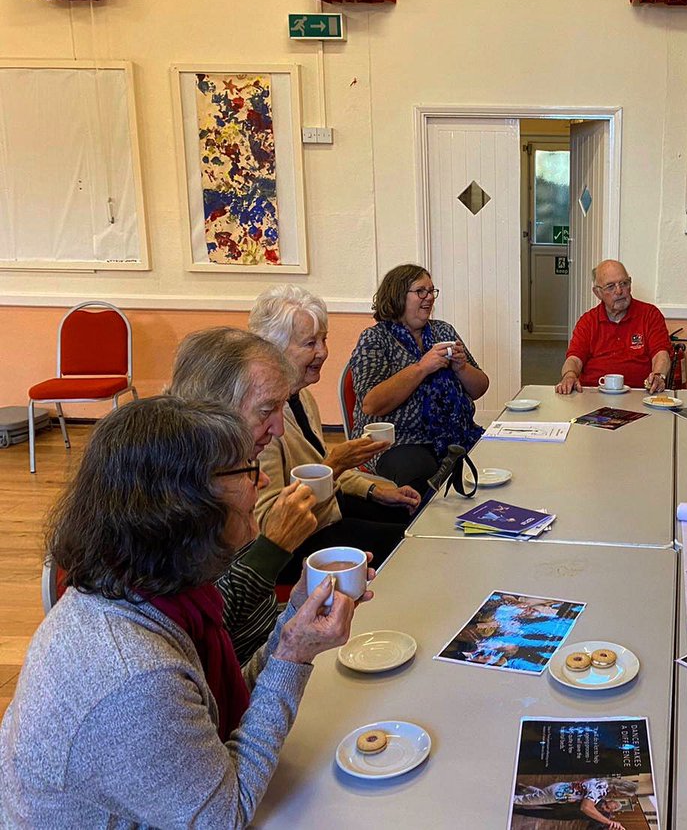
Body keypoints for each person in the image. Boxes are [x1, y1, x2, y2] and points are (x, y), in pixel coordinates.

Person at [0, 396, 370, 825]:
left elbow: (218, 715)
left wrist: (296, 621)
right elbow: (224, 815)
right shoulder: (134, 674)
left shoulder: (151, 594)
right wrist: (293, 655)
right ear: (182, 503)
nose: (265, 480)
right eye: (246, 470)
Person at [249, 285, 422, 583]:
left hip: (325, 513)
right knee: (410, 544)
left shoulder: (301, 397)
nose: (323, 352)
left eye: (324, 339)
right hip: (295, 547)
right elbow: (269, 526)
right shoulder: (263, 421)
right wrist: (336, 464)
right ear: (272, 349)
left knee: (415, 517)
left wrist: (375, 490)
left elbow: (321, 466)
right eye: (310, 343)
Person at [167, 327, 321, 662]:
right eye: (266, 411)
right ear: (215, 409)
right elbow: (205, 629)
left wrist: (304, 607)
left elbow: (255, 622)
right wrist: (273, 548)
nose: (278, 429)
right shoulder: (174, 491)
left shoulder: (228, 466)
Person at [350, 264, 490, 488]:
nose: (429, 297)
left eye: (431, 291)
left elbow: (480, 388)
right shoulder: (375, 338)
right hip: (397, 440)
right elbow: (371, 404)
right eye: (420, 291)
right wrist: (422, 367)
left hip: (454, 433)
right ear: (397, 296)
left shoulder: (443, 331)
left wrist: (461, 368)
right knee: (421, 476)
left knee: (496, 457)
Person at [555, 260, 671, 395]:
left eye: (624, 283)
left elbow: (661, 354)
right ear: (597, 293)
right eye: (610, 287)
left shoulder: (650, 314)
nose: (619, 291)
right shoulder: (588, 321)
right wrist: (569, 375)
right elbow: (574, 359)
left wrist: (658, 375)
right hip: (593, 395)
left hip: (640, 395)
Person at [514, 776, 638, 829]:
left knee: (539, 796)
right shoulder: (601, 789)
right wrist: (609, 822)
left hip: (559, 790)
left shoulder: (603, 782)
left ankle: (524, 788)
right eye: (621, 794)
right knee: (523, 801)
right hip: (558, 793)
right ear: (619, 789)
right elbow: (586, 807)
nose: (617, 796)